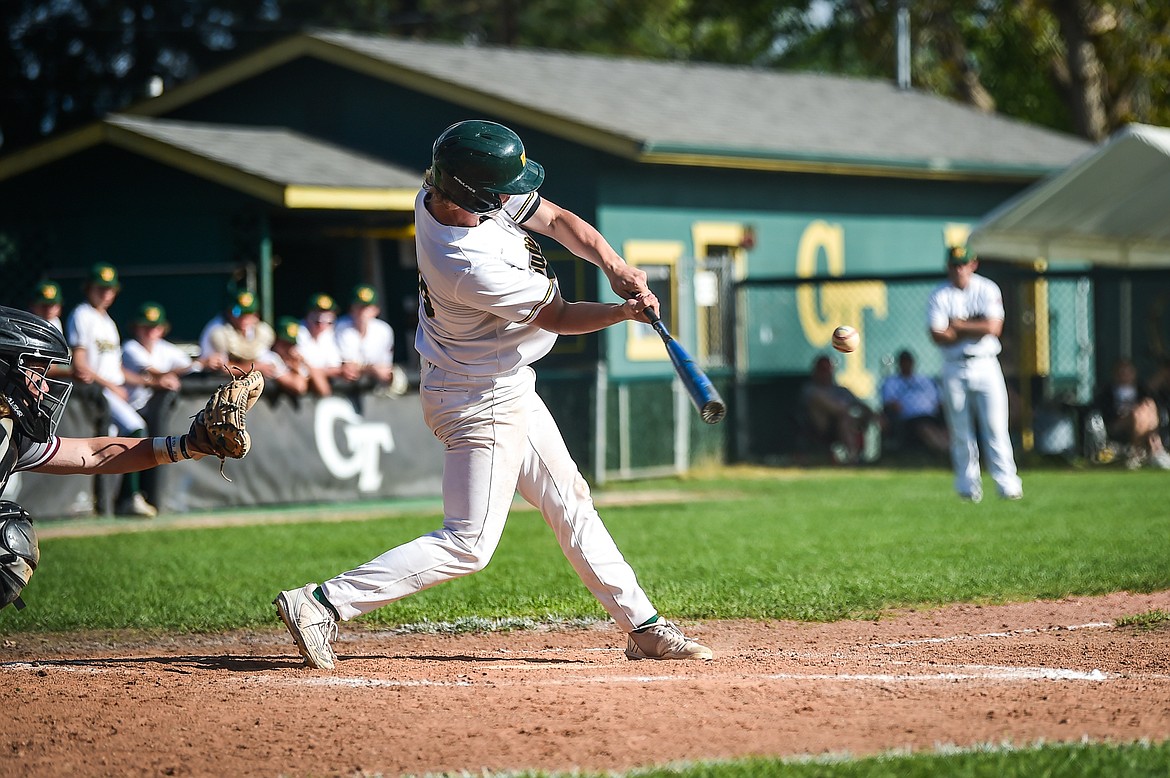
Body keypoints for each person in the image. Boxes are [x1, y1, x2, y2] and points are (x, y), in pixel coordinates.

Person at [274, 118, 712, 669]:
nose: (513, 196)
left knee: (569, 499)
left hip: (501, 382)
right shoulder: (464, 262)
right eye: (502, 189)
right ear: (471, 192)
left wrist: (614, 263)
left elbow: (553, 218)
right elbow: (558, 316)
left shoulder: (449, 193)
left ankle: (643, 627)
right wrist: (625, 313)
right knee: (468, 543)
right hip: (478, 398)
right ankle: (321, 603)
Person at [0, 305, 237, 610]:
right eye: (34, 373)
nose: (44, 386)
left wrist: (185, 446)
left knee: (12, 538)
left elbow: (92, 454)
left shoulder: (11, 433)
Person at [927, 246, 1023, 502]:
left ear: (973, 264)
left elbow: (993, 327)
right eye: (954, 264)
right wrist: (973, 328)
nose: (958, 269)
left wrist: (958, 326)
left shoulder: (987, 288)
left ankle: (1008, 484)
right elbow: (938, 334)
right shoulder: (940, 294)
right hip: (954, 364)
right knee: (960, 430)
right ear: (948, 266)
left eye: (963, 264)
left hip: (986, 362)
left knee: (995, 426)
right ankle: (967, 486)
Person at [65, 263, 157, 517]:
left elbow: (116, 368)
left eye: (110, 289)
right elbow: (80, 363)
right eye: (101, 288)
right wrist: (113, 386)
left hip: (113, 389)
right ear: (89, 288)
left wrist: (150, 381)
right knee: (136, 428)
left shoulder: (107, 320)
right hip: (97, 392)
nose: (106, 293)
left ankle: (113, 501)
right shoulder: (81, 315)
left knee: (115, 446)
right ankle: (130, 498)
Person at [800, 354, 880, 464]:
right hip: (823, 426)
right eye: (822, 370)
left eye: (828, 370)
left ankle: (868, 455)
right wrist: (846, 411)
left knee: (858, 416)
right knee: (844, 417)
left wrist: (875, 415)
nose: (826, 373)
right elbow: (837, 410)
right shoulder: (811, 390)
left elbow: (859, 404)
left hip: (849, 422)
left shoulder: (840, 390)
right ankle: (853, 457)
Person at [1093, 357, 1170, 470]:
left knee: (1146, 407)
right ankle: (1155, 450)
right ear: (1114, 374)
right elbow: (1106, 414)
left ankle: (1136, 454)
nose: (1124, 374)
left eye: (1128, 371)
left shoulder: (1141, 389)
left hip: (1141, 422)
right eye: (1121, 371)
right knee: (1138, 413)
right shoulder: (1107, 392)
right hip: (1117, 424)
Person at [335, 283, 404, 395]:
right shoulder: (340, 327)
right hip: (343, 386)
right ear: (351, 308)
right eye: (359, 306)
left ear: (376, 310)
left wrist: (368, 369)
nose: (362, 311)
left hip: (374, 386)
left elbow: (384, 367)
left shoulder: (384, 330)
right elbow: (348, 366)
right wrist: (371, 369)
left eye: (367, 307)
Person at [880, 349, 950, 456]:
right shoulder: (892, 382)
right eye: (904, 361)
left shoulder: (925, 380)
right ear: (899, 363)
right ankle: (944, 451)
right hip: (909, 419)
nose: (906, 364)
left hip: (930, 415)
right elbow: (889, 403)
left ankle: (948, 449)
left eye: (909, 361)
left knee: (943, 427)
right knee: (925, 428)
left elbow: (938, 401)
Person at [202, 289, 276, 378]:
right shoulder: (217, 330)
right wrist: (255, 368)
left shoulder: (263, 332)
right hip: (222, 383)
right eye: (238, 313)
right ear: (229, 312)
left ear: (256, 315)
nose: (244, 319)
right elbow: (222, 368)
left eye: (248, 313)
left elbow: (270, 365)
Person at [296, 293, 345, 392]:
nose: (322, 325)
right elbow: (305, 370)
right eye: (317, 321)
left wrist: (320, 371)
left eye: (328, 321)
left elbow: (335, 367)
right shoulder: (297, 332)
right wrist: (319, 371)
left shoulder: (330, 333)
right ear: (308, 315)